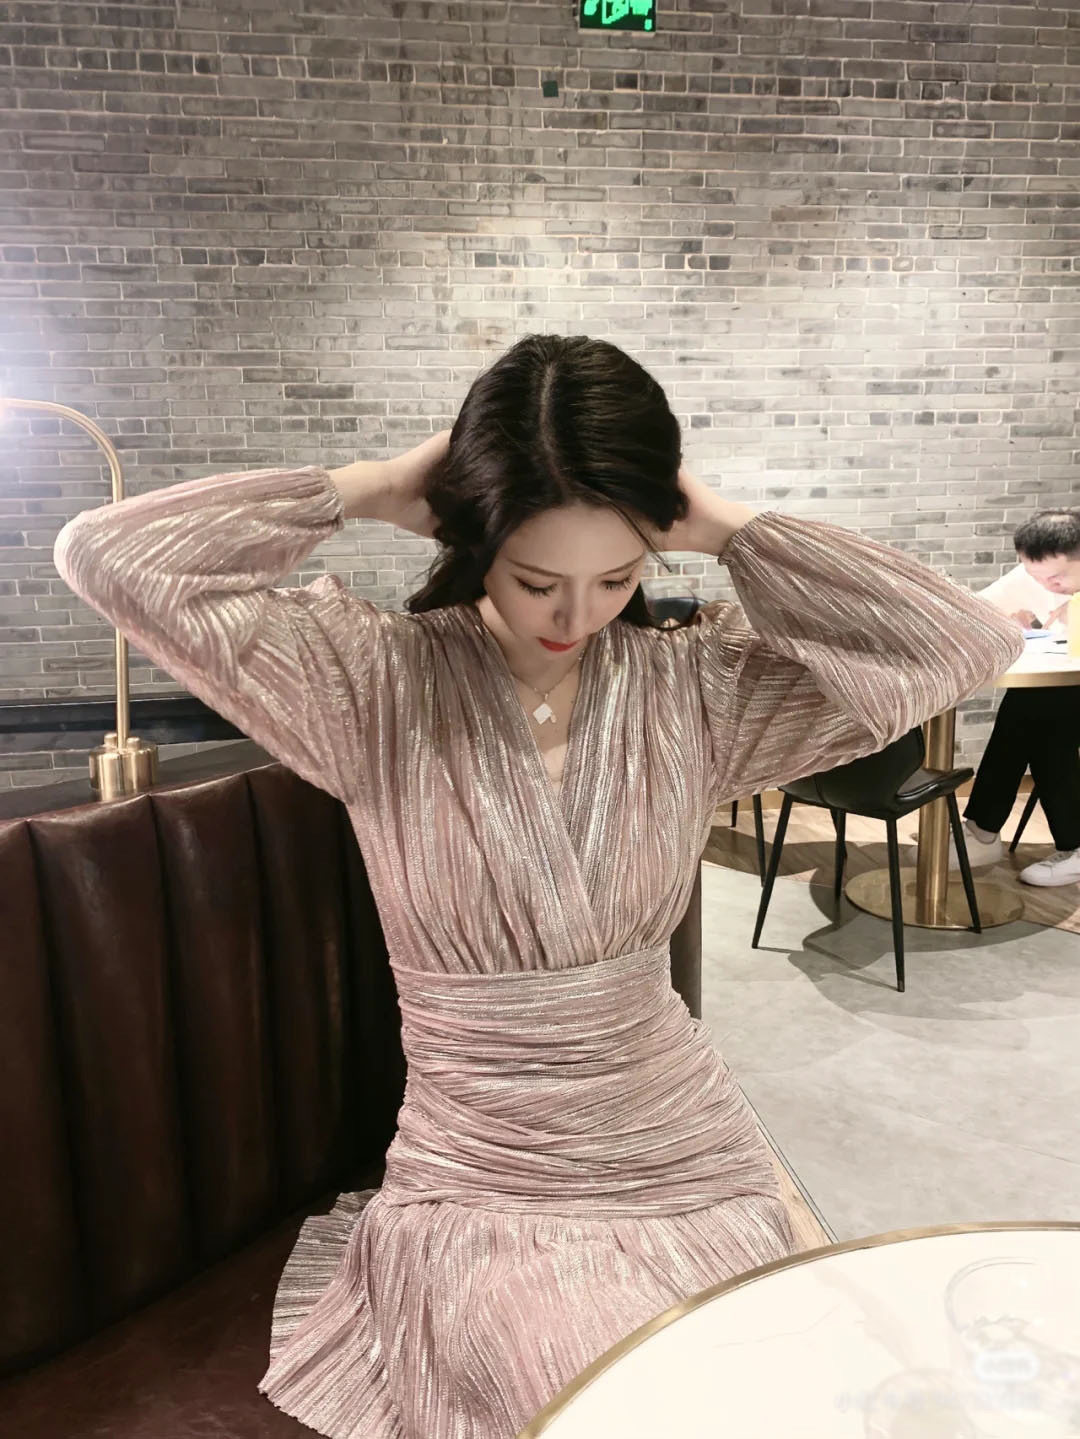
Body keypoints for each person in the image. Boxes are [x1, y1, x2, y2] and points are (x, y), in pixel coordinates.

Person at [52, 334, 1023, 1439]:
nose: (576, 616)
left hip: (680, 1146)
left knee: (779, 1391)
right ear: (475, 539)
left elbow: (963, 644)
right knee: (611, 1401)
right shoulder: (368, 684)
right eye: (535, 578)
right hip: (486, 1175)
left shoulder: (697, 689)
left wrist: (725, 526)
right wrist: (367, 487)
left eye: (618, 576)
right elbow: (109, 556)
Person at [954, 508, 1080, 887]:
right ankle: (986, 831)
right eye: (1036, 576)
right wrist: (1010, 621)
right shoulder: (1036, 573)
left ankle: (983, 830)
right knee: (1032, 706)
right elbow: (977, 610)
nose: (1048, 585)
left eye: (1057, 578)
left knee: (1043, 715)